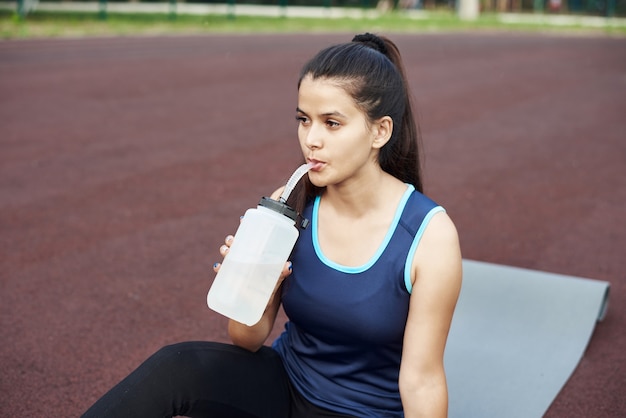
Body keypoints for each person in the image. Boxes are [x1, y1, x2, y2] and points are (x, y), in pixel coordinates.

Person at [81, 32, 462, 418]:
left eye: (332, 123)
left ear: (380, 131)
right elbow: (246, 340)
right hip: (284, 385)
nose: (311, 139)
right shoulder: (291, 204)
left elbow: (422, 380)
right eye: (304, 120)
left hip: (363, 412)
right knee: (176, 366)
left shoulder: (429, 236)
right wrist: (253, 283)